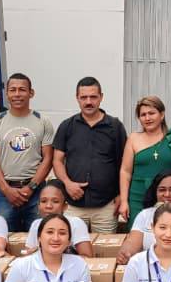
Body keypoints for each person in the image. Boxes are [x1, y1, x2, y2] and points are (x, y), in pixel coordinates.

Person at [52, 77, 127, 235]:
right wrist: (67, 183)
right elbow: (57, 160)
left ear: (101, 97)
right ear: (77, 98)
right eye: (84, 97)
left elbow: (124, 165)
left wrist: (121, 195)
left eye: (93, 97)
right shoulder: (67, 126)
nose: (88, 102)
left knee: (105, 247)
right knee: (72, 247)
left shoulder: (115, 127)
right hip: (74, 205)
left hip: (106, 206)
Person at [0, 73, 55, 232]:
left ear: (31, 93)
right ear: (6, 93)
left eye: (22, 90)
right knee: (3, 237)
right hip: (5, 192)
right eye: (12, 90)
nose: (17, 94)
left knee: (40, 236)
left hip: (36, 191)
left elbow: (48, 158)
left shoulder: (43, 121)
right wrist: (6, 189)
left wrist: (31, 187)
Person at [118, 95, 171, 226]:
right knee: (138, 231)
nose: (147, 118)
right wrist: (124, 201)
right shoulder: (133, 139)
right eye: (143, 115)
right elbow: (125, 171)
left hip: (167, 196)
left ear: (161, 115)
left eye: (151, 113)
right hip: (137, 197)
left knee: (166, 229)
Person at [3, 215, 93, 282]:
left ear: (69, 241)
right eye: (50, 232)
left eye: (62, 233)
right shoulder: (21, 266)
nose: (56, 238)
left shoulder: (79, 264)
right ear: (39, 238)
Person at [19, 182, 93, 257]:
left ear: (64, 206)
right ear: (38, 206)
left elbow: (87, 256)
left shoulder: (75, 223)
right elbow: (26, 253)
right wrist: (30, 253)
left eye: (55, 201)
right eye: (43, 201)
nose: (48, 206)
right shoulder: (36, 224)